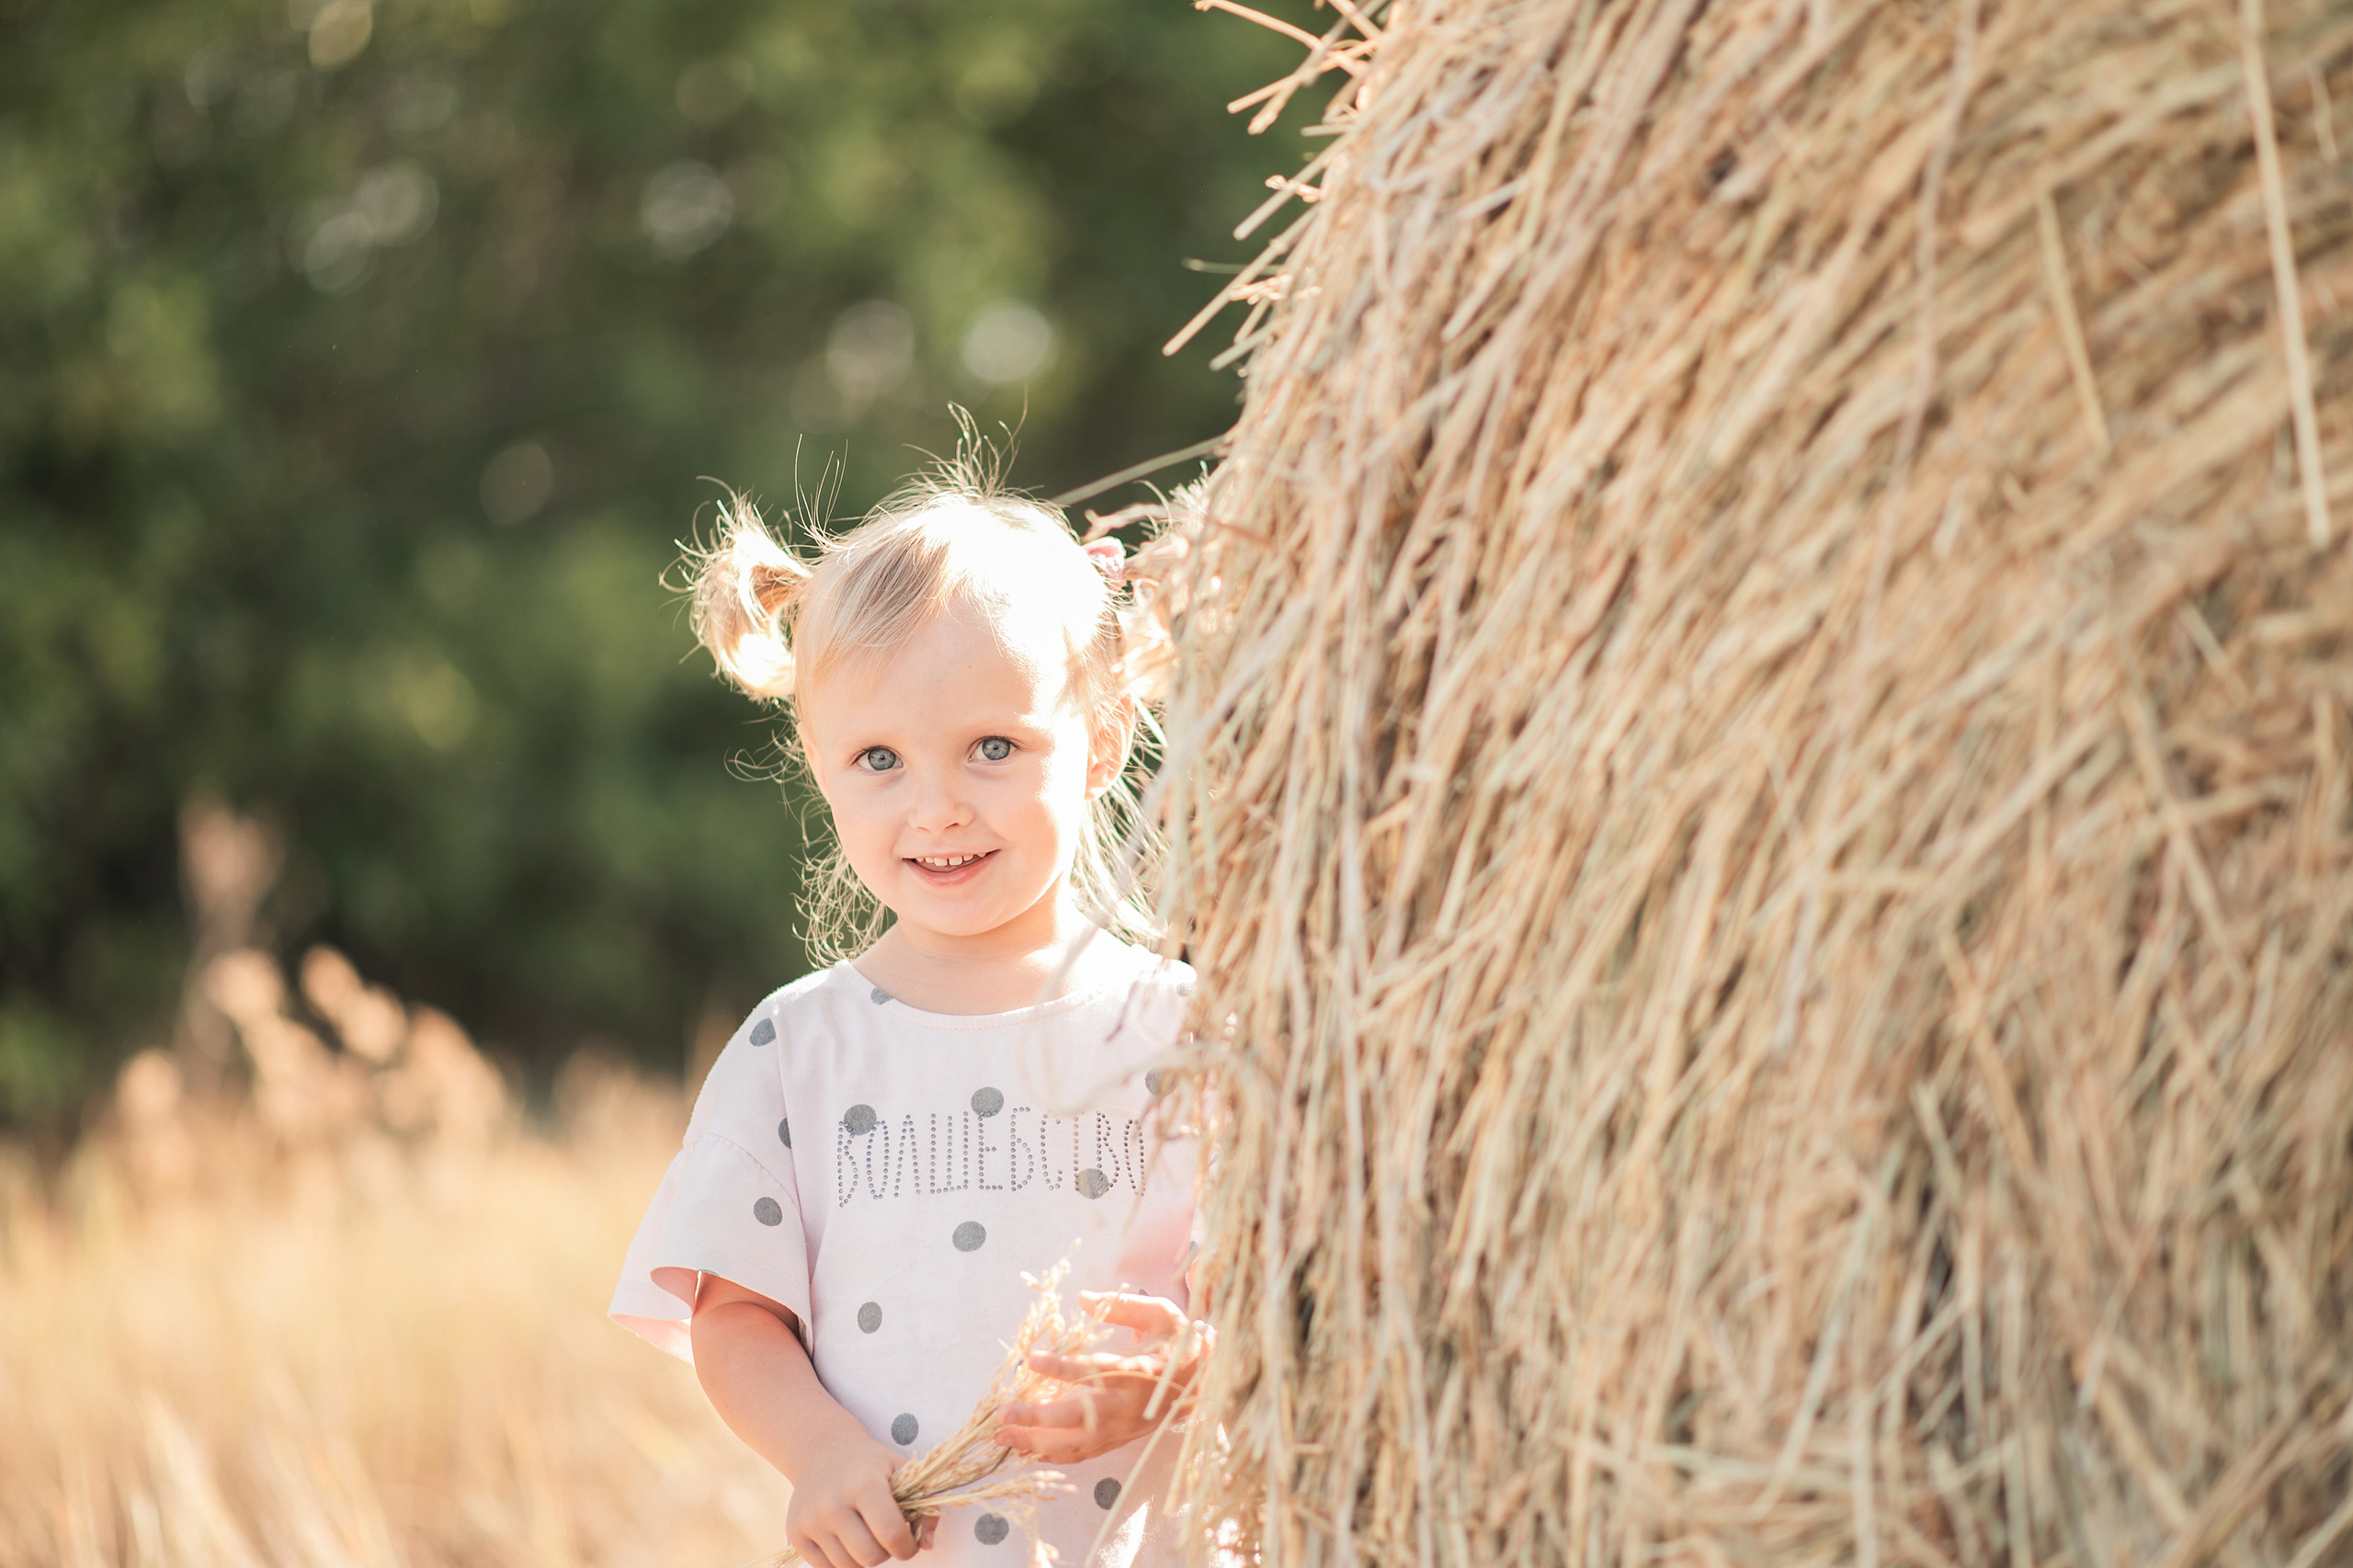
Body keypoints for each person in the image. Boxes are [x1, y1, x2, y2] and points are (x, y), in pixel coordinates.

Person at [609, 465, 1206, 1568]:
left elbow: (1290, 1300)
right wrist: (821, 1451)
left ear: (1104, 734)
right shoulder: (798, 1049)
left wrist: (1195, 1366)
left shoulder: (1185, 1031)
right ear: (820, 768)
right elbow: (734, 1313)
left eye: (994, 745)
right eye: (879, 758)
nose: (936, 804)